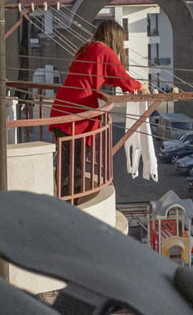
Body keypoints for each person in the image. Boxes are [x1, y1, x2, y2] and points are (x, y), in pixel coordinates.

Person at [49, 21, 144, 198]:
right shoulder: (105, 52)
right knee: (75, 160)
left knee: (65, 159)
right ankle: (71, 200)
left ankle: (63, 198)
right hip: (78, 111)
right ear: (114, 37)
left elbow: (99, 74)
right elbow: (122, 79)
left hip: (63, 105)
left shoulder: (87, 48)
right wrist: (141, 87)